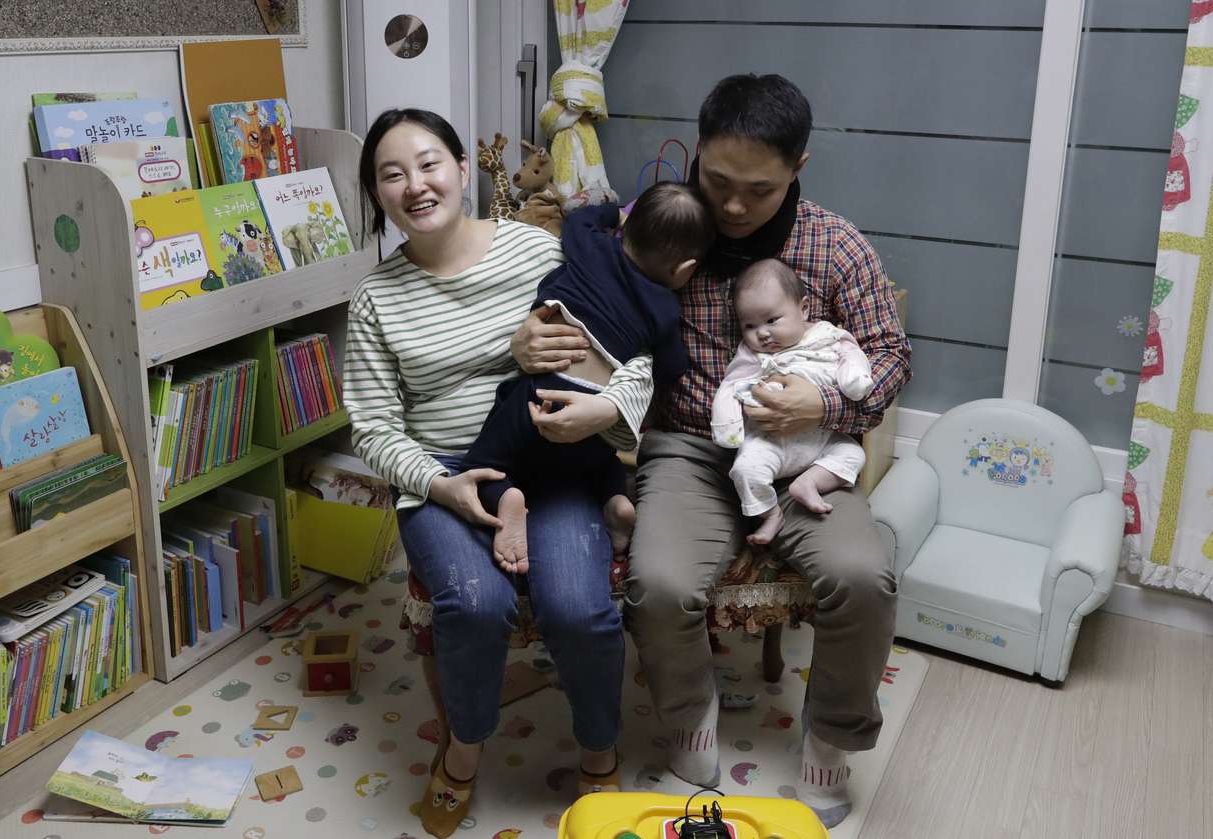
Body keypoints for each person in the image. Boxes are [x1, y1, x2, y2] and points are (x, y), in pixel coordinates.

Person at [344, 108, 654, 838]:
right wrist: (439, 484)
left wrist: (605, 410)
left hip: (550, 465)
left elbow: (628, 351)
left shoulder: (530, 251)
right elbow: (372, 427)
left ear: (460, 165)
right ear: (378, 196)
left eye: (428, 163)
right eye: (391, 175)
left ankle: (599, 752)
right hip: (444, 474)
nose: (415, 185)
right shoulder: (376, 299)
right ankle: (462, 749)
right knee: (475, 603)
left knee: (579, 605)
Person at [623, 73, 910, 829]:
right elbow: (583, 287)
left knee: (864, 575)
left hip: (808, 448)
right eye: (719, 181)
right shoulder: (660, 224)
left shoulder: (835, 243)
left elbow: (890, 356)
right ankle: (689, 710)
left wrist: (826, 403)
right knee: (656, 580)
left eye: (760, 187)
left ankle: (831, 734)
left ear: (798, 169)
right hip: (690, 445)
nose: (735, 206)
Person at [460, 182, 714, 573]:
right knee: (601, 460)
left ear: (626, 230)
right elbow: (672, 368)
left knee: (482, 460)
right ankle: (615, 499)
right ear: (685, 270)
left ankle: (506, 495)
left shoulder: (592, 247)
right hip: (592, 412)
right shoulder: (664, 308)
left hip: (539, 389)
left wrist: (613, 213)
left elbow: (579, 218)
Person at [713, 258, 874, 544]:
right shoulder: (752, 355)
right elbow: (731, 385)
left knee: (853, 454)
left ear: (803, 308)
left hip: (821, 438)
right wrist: (728, 427)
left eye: (772, 320)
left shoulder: (826, 335)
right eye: (750, 325)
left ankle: (809, 482)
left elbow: (851, 353)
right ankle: (771, 514)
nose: (762, 333)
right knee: (745, 470)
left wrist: (854, 380)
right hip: (770, 440)